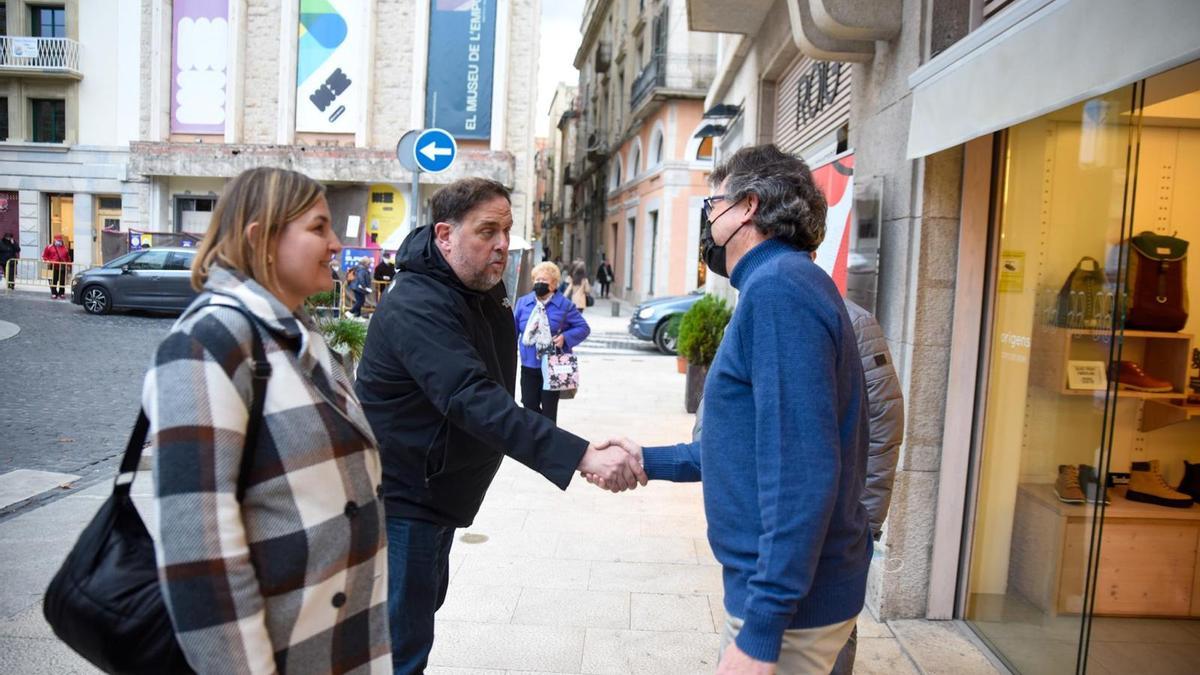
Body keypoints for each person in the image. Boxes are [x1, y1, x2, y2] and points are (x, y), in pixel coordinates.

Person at [589, 144, 871, 674]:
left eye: (713, 203)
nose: (707, 217)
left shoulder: (779, 290)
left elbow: (801, 471)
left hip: (790, 613)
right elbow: (746, 444)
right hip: (787, 599)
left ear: (747, 207)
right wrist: (648, 458)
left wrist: (761, 632)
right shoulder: (780, 284)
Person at [352, 177, 645, 673]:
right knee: (400, 648)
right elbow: (472, 397)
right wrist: (581, 454)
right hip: (403, 498)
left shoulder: (476, 290)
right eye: (487, 231)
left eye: (506, 231)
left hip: (437, 493)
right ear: (444, 235)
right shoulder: (417, 303)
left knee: (416, 621)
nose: (502, 245)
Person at [143, 167, 390, 673]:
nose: (337, 243)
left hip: (337, 644)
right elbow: (201, 554)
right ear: (262, 238)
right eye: (319, 228)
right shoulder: (209, 343)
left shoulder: (294, 331)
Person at [690, 290, 906, 675]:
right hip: (763, 522)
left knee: (826, 639)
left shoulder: (851, 321)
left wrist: (866, 518)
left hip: (831, 529)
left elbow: (884, 421)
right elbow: (721, 402)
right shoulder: (758, 304)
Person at [513, 261, 590, 422]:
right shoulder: (523, 303)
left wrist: (565, 338)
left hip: (552, 366)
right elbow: (512, 330)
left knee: (549, 409)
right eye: (537, 280)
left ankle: (548, 441)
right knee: (528, 404)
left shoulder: (564, 305)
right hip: (528, 365)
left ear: (554, 284)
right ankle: (539, 434)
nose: (539, 283)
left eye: (544, 281)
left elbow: (583, 328)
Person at [41, 235, 71, 299]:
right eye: (57, 240)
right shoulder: (49, 247)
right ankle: (54, 293)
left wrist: (68, 265)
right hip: (52, 266)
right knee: (52, 280)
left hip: (62, 267)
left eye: (60, 240)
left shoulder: (65, 248)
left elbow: (67, 258)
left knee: (62, 281)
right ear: (54, 240)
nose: (59, 241)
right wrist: (47, 260)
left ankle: (61, 293)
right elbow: (44, 256)